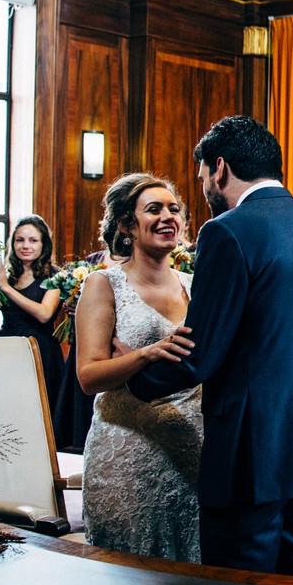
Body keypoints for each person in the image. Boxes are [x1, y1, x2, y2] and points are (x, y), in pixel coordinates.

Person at [126, 116, 293, 578]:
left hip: (249, 447)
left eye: (202, 176)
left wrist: (133, 379)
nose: (204, 187)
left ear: (221, 168)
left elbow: (201, 351)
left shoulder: (227, 231)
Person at [75, 175, 199, 562]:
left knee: (190, 572)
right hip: (128, 449)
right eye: (153, 209)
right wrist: (146, 354)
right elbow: (88, 376)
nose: (167, 217)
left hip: (191, 449)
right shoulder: (104, 285)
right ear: (127, 225)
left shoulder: (195, 285)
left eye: (174, 209)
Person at [0, 215, 65, 420]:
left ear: (44, 244)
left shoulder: (55, 276)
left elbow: (44, 314)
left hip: (39, 351)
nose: (25, 246)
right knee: (6, 412)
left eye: (33, 240)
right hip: (5, 349)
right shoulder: (8, 275)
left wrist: (6, 288)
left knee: (37, 413)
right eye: (20, 240)